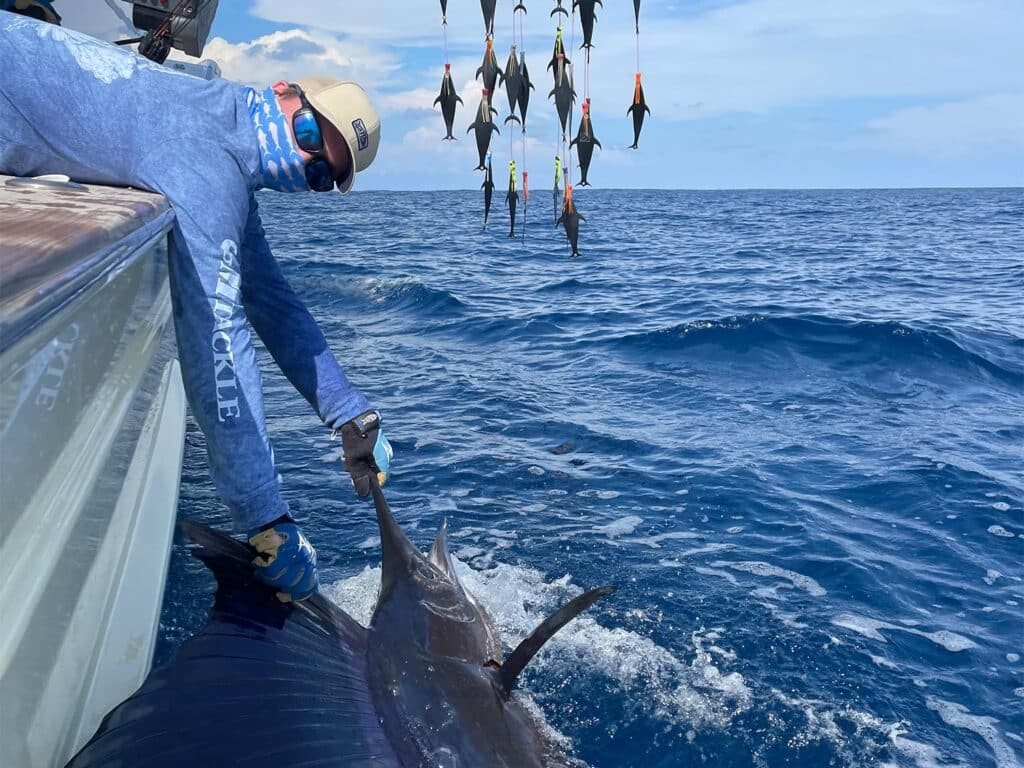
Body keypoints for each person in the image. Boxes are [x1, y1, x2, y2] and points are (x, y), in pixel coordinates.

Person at [0, 11, 392, 602]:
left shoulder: (226, 128)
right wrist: (267, 521)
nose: (302, 161)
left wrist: (348, 412)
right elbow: (218, 338)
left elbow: (273, 301)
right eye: (310, 136)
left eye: (319, 174)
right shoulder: (211, 166)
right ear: (285, 91)